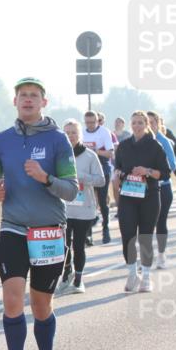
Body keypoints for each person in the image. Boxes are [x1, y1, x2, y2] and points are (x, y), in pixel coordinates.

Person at [0, 77, 77, 350]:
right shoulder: (1, 141)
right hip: (12, 229)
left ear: (44, 102)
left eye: (33, 96)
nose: (27, 100)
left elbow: (71, 189)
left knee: (41, 306)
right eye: (22, 95)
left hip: (48, 231)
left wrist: (46, 178)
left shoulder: (58, 141)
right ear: (15, 102)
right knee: (12, 299)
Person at [112, 111, 171, 293]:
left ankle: (146, 276)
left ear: (146, 124)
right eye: (134, 123)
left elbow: (165, 173)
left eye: (140, 123)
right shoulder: (123, 145)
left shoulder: (155, 146)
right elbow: (118, 167)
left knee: (145, 237)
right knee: (127, 236)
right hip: (128, 196)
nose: (136, 126)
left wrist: (147, 170)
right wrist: (119, 173)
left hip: (150, 197)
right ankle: (132, 274)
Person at [57, 119, 105, 295]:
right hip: (63, 208)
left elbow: (101, 180)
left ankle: (78, 279)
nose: (70, 136)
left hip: (84, 209)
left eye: (74, 133)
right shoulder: (59, 155)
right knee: (62, 245)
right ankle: (66, 273)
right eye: (67, 133)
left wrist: (82, 177)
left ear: (80, 135)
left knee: (78, 245)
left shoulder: (90, 155)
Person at [147, 111, 176, 267]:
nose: (149, 125)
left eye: (152, 122)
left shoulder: (163, 141)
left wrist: (154, 172)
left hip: (163, 188)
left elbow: (172, 165)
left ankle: (161, 255)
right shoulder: (141, 142)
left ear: (157, 123)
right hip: (144, 189)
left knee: (160, 222)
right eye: (147, 122)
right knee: (145, 224)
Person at [83, 110, 116, 244]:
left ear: (98, 121)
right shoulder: (82, 133)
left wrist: (95, 151)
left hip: (102, 168)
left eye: (93, 122)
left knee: (102, 201)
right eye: (87, 122)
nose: (90, 125)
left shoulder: (104, 132)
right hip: (87, 169)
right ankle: (88, 233)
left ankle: (105, 229)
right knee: (89, 202)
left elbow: (110, 153)